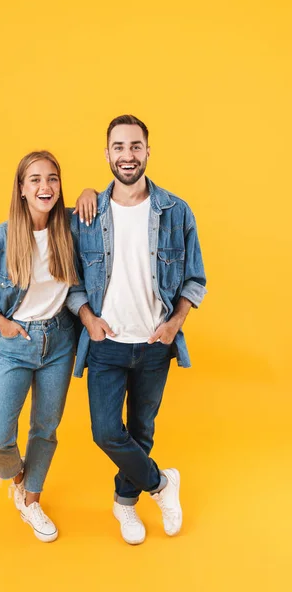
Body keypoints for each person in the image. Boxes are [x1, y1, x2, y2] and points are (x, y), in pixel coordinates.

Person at [68, 115, 207, 545]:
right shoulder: (87, 213)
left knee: (141, 430)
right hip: (106, 345)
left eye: (135, 146)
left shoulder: (175, 210)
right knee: (107, 432)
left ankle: (125, 504)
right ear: (106, 154)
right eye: (118, 147)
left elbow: (195, 279)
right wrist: (88, 319)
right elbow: (71, 279)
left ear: (148, 151)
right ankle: (163, 485)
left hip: (153, 345)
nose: (127, 155)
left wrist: (173, 325)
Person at [0, 150, 79, 543]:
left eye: (53, 179)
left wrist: (92, 190)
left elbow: (109, 217)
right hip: (16, 342)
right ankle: (18, 477)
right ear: (22, 190)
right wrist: (2, 323)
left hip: (60, 340)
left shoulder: (72, 229)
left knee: (45, 427)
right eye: (35, 180)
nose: (45, 186)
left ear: (60, 186)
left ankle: (31, 500)